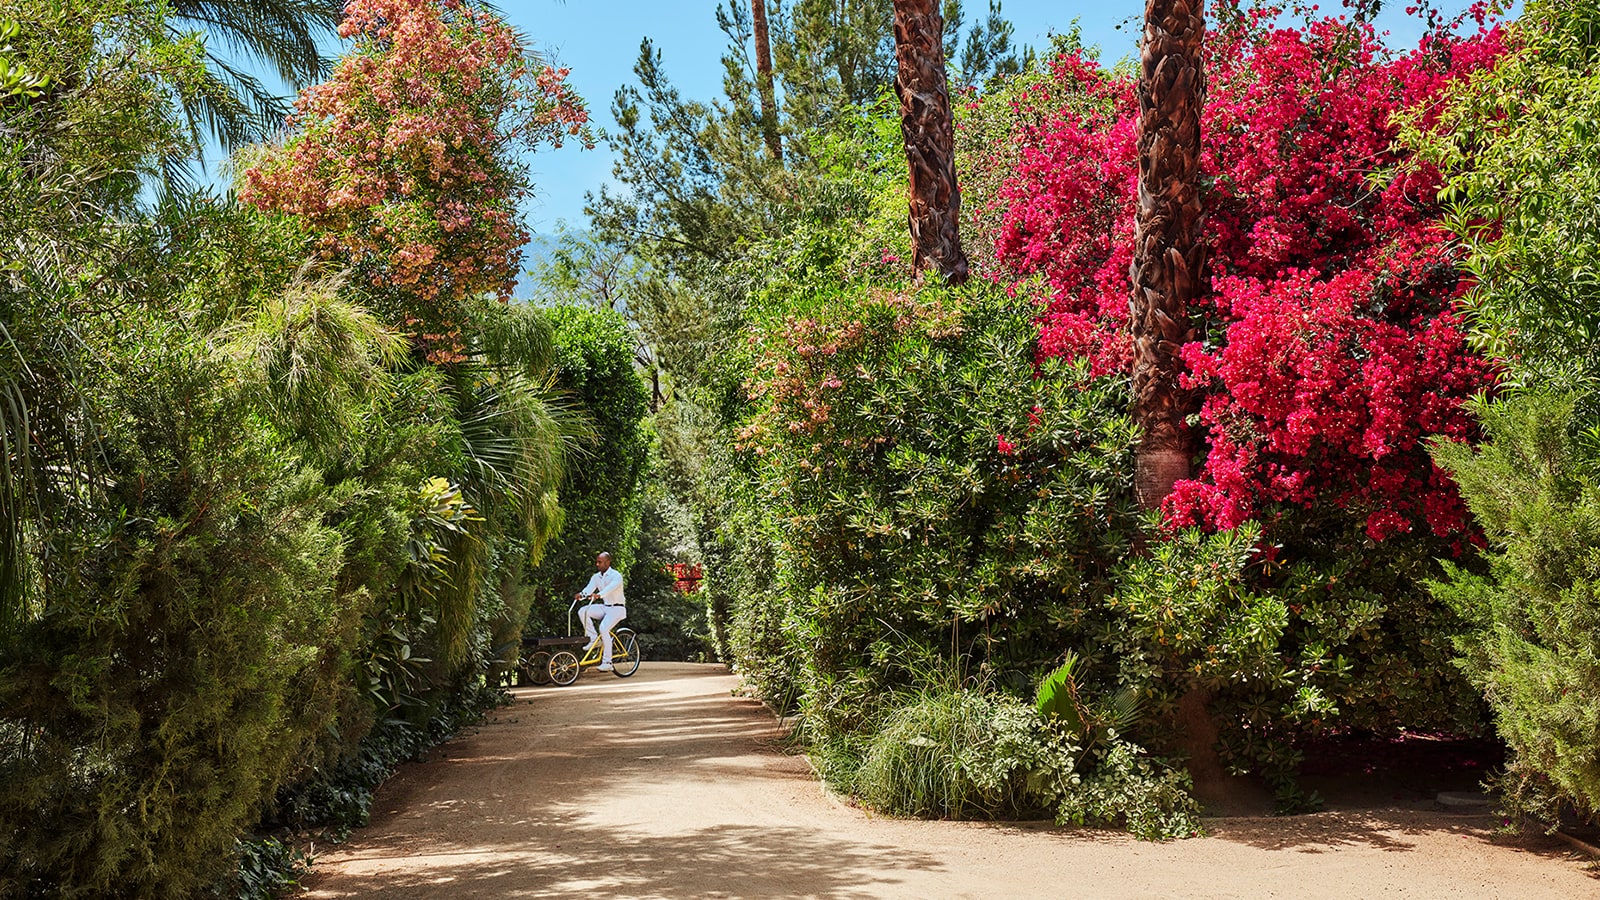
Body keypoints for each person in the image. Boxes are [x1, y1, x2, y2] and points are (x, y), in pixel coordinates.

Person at [575, 552, 626, 671]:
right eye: (597, 561)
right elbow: (588, 589)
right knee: (583, 611)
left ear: (608, 562)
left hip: (617, 608)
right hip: (606, 607)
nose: (597, 564)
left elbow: (610, 588)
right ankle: (593, 639)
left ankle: (607, 662)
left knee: (603, 628)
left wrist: (598, 595)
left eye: (600, 562)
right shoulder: (596, 577)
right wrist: (581, 595)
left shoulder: (616, 576)